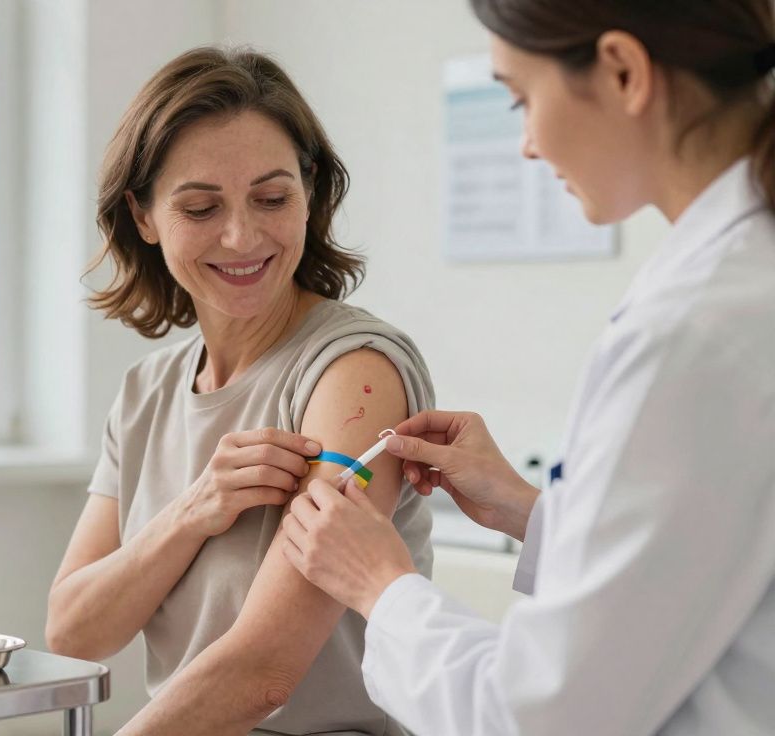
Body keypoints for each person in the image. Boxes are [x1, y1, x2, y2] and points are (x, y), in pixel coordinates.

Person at [281, 2, 775, 734]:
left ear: (623, 71)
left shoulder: (698, 330)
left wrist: (381, 586)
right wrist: (527, 508)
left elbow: (542, 717)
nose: (527, 147)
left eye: (521, 100)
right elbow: (693, 566)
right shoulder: (732, 290)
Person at [45, 46, 436, 734]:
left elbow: (265, 671)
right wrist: (193, 510)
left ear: (310, 195)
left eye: (272, 198)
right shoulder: (146, 392)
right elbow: (74, 630)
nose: (241, 235)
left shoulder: (353, 374)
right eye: (200, 207)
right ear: (143, 216)